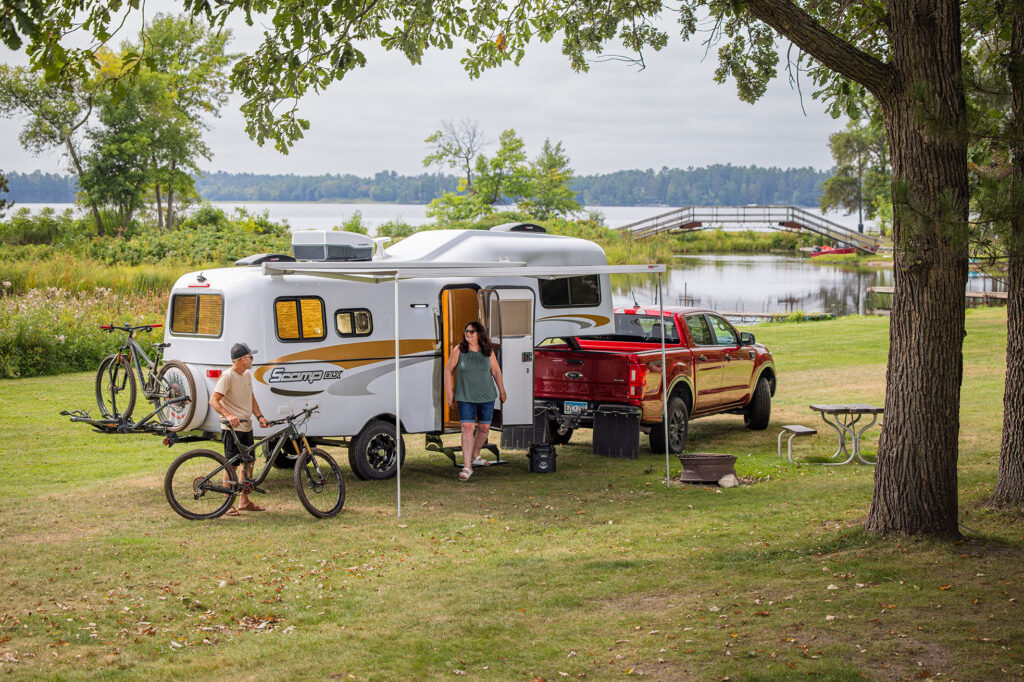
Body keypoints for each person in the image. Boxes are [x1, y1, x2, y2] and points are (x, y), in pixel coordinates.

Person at [210, 342, 269, 515]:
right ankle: (227, 504)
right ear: (243, 359)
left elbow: (250, 398)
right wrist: (228, 415)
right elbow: (213, 400)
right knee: (232, 466)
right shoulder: (227, 376)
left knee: (249, 463)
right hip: (232, 430)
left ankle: (244, 501)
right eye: (251, 357)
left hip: (246, 426)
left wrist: (259, 416)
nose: (253, 359)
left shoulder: (247, 375)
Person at [444, 321, 507, 481]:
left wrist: (502, 390)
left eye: (471, 331)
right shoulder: (459, 350)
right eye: (466, 331)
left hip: (486, 395)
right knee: (466, 427)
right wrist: (449, 394)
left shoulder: (488, 351)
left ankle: (475, 455)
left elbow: (496, 371)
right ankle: (467, 466)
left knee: (485, 428)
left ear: (479, 334)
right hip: (465, 395)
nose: (468, 334)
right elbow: (448, 370)